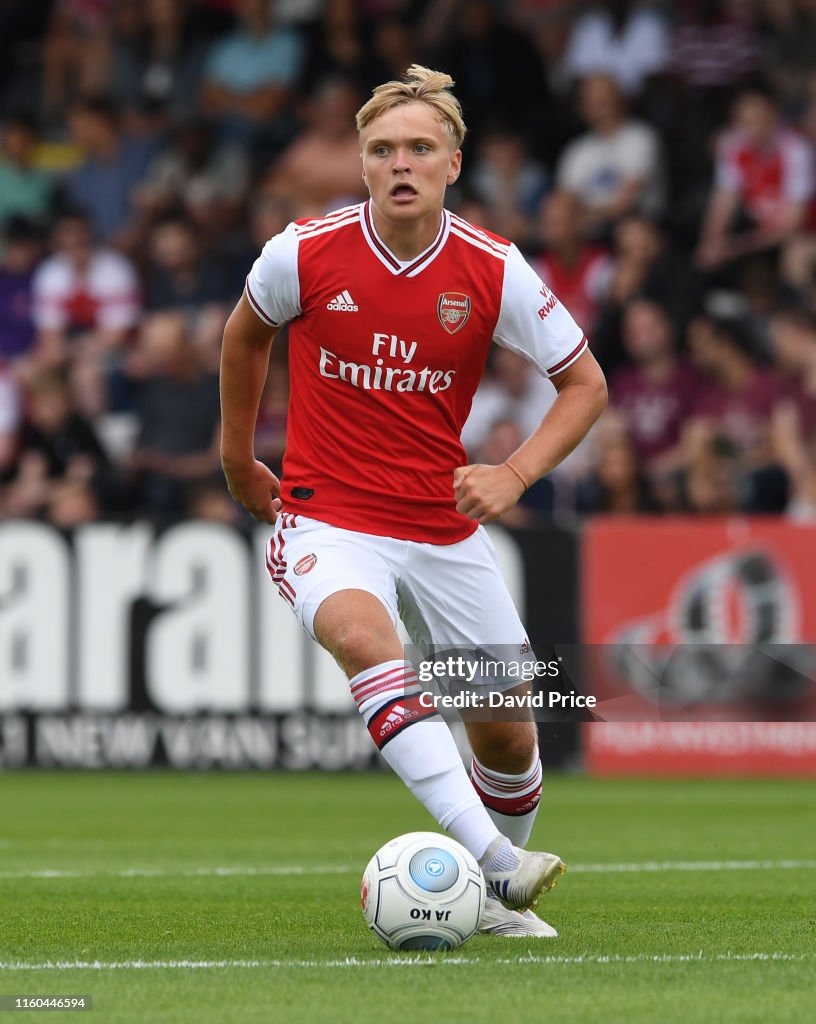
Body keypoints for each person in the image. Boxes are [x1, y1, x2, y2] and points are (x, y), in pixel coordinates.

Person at [220, 66, 607, 938]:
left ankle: (496, 903)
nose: (401, 164)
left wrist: (513, 473)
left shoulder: (492, 268)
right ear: (359, 162)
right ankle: (498, 866)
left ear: (453, 164)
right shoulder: (304, 251)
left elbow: (585, 384)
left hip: (442, 528)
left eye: (420, 149)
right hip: (328, 516)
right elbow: (245, 336)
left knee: (508, 732)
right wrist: (238, 456)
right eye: (383, 149)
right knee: (366, 640)